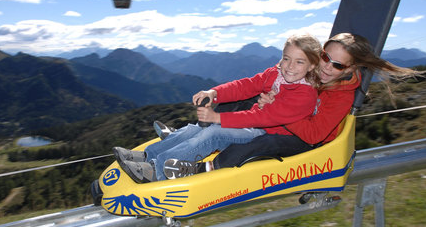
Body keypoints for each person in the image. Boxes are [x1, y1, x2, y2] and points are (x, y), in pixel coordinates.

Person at [164, 32, 423, 177]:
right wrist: (216, 93)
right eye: (324, 56)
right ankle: (188, 135)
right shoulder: (305, 70)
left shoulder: (342, 95)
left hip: (304, 140)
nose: (327, 66)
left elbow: (314, 134)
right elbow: (252, 84)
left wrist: (280, 110)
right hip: (281, 120)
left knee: (262, 143)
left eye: (337, 65)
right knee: (241, 102)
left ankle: (203, 170)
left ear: (352, 68)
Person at [113, 33, 322, 182]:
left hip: (265, 134)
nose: (289, 66)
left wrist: (218, 118)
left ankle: (157, 171)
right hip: (255, 124)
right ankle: (148, 156)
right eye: (286, 58)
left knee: (213, 133)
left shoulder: (305, 95)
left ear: (312, 66)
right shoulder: (275, 73)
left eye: (299, 62)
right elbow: (246, 85)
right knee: (197, 128)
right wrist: (214, 93)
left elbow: (264, 118)